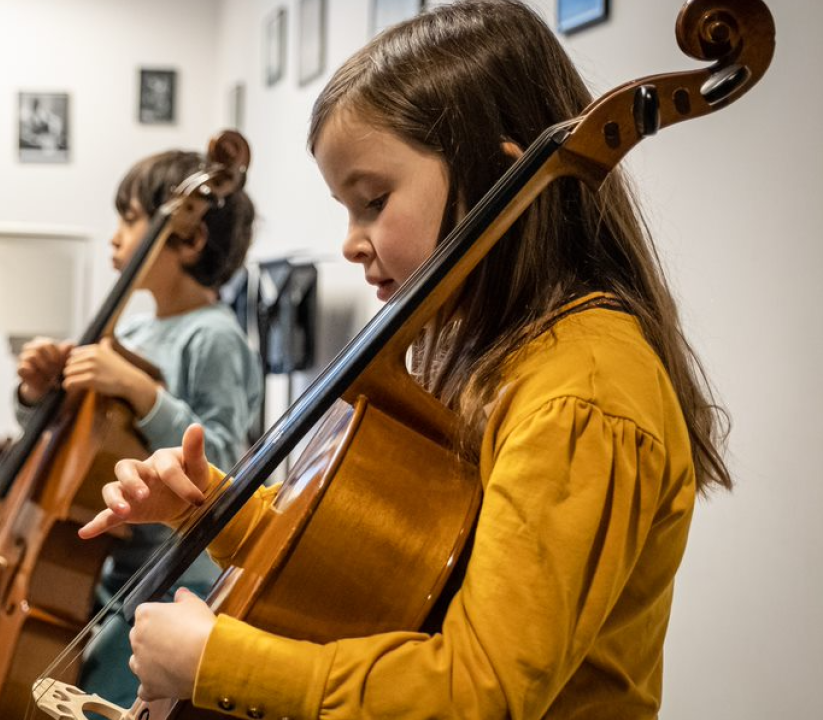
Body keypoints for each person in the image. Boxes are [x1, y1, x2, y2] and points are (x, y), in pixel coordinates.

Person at [78, 2, 732, 718]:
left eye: (372, 200)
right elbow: (386, 560)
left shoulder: (580, 396)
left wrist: (218, 660)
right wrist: (215, 511)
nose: (350, 242)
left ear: (498, 182)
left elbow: (480, 691)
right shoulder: (494, 355)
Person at [15, 150, 262, 708]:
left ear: (188, 240)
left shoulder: (213, 337)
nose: (115, 237)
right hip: (113, 571)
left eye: (128, 218)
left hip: (174, 581)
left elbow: (220, 459)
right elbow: (82, 449)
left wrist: (142, 391)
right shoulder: (139, 330)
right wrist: (39, 393)